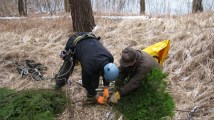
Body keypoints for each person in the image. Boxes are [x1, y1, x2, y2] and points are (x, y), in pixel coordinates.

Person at [55, 32, 119, 104]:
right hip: (75, 42)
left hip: (90, 41)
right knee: (68, 67)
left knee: (94, 78)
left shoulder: (110, 58)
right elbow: (85, 83)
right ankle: (58, 84)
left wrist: (106, 87)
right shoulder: (89, 66)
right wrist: (97, 96)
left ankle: (91, 92)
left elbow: (107, 72)